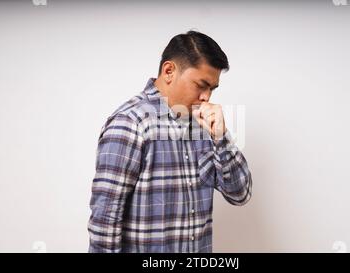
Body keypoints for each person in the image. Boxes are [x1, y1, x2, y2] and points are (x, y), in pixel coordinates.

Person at [88, 30, 252, 253]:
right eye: (201, 84)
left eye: (211, 89)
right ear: (169, 71)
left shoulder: (204, 124)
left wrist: (221, 138)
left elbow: (240, 194)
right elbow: (105, 221)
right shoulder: (131, 123)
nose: (206, 97)